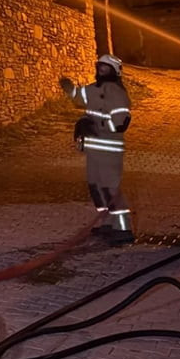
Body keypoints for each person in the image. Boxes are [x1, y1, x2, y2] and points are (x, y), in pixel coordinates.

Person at [60, 54, 134, 244]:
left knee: (111, 189)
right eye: (99, 66)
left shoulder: (117, 92)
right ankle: (106, 223)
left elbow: (121, 122)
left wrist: (97, 126)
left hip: (109, 149)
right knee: (96, 188)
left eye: (105, 67)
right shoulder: (94, 88)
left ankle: (123, 229)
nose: (101, 70)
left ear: (115, 71)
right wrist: (69, 89)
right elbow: (79, 97)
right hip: (93, 149)